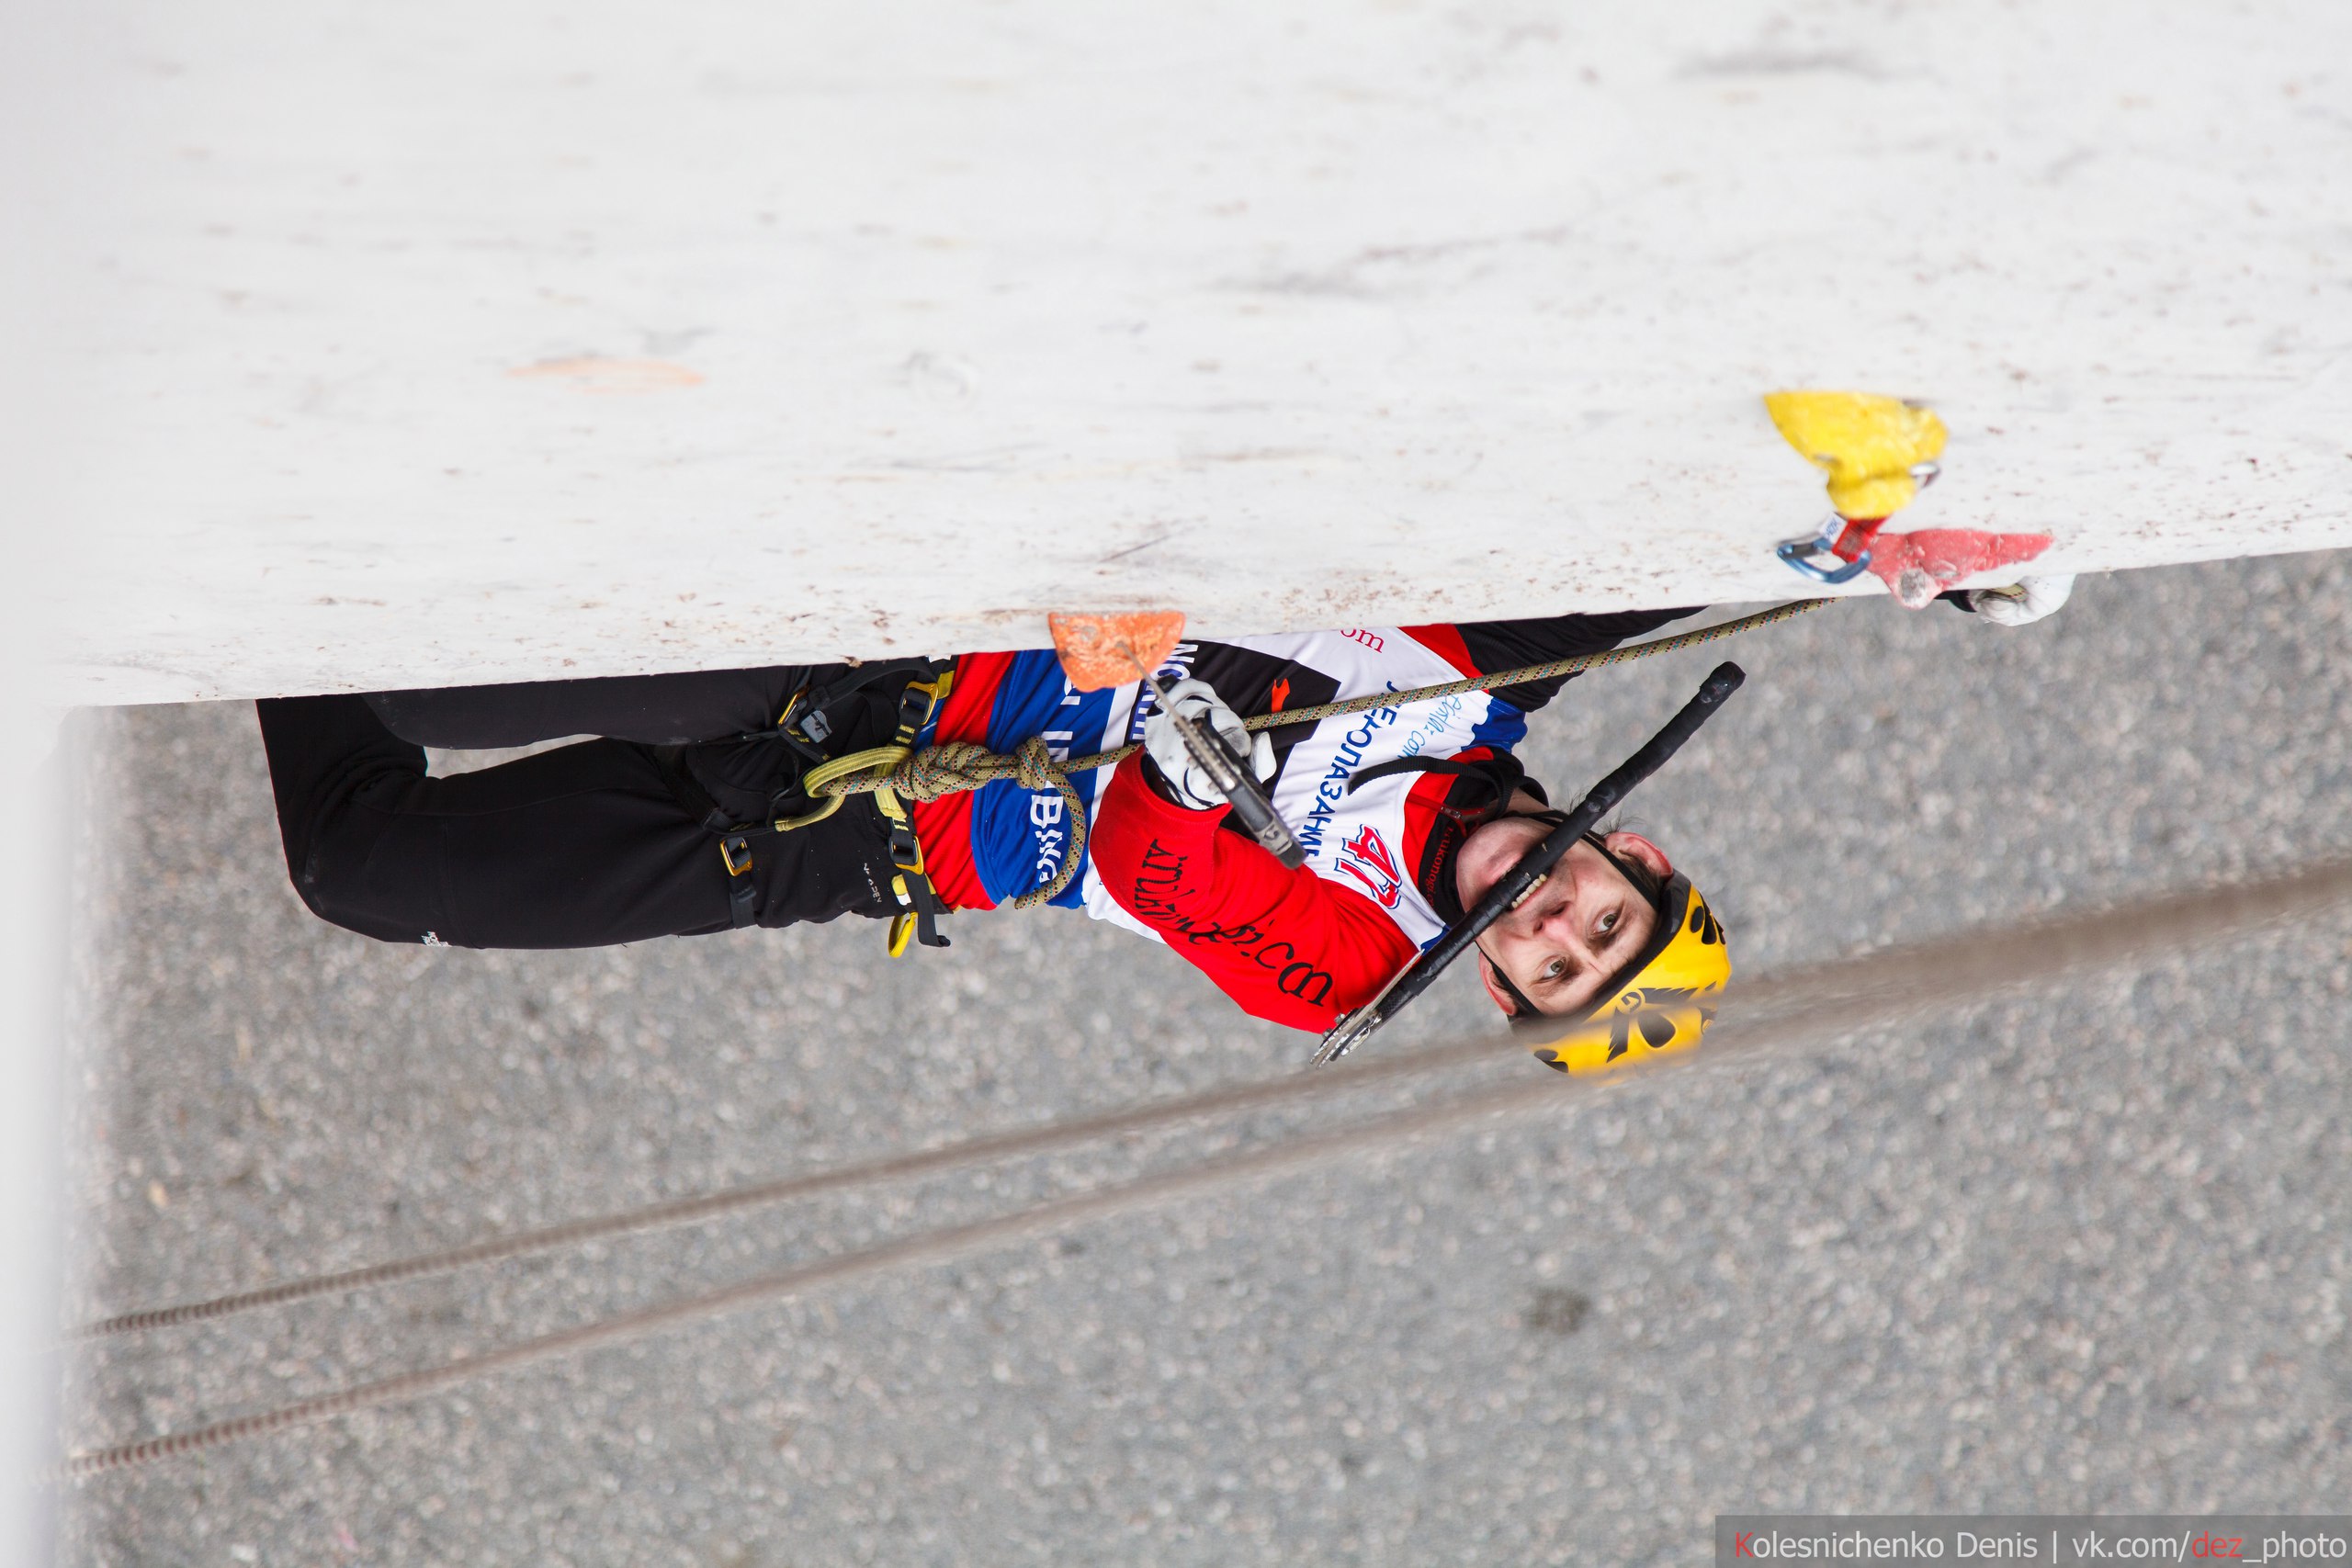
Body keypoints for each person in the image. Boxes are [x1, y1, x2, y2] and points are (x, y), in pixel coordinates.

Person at [260, 581, 2070, 1066]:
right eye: (1603, 920)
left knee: (365, 859)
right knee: (406, 678)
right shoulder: (1466, 680)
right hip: (865, 659)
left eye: (1551, 971)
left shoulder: (1340, 973)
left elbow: (1136, 844)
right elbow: (1656, 575)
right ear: (1637, 857)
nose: (1552, 927)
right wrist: (1917, 571)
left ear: (1504, 998)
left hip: (822, 835)